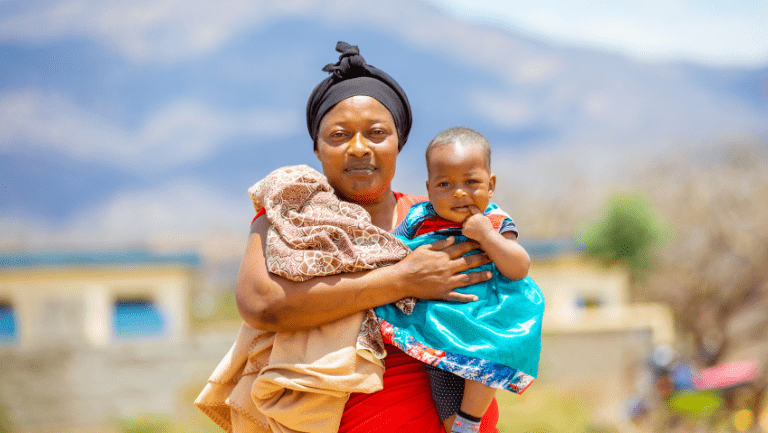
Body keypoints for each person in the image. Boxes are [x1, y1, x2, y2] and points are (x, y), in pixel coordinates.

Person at [196, 42, 500, 433]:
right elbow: (261, 304)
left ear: (399, 142)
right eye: (339, 135)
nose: (359, 148)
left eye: (377, 133)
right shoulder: (290, 220)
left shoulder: (439, 220)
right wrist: (402, 280)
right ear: (317, 149)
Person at [375, 126, 545, 433]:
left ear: (491, 185)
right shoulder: (419, 218)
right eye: (445, 184)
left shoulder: (495, 220)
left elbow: (519, 267)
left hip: (487, 320)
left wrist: (487, 236)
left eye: (471, 182)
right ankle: (458, 425)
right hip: (437, 325)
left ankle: (470, 421)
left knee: (488, 364)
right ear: (429, 189)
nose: (459, 192)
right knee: (441, 387)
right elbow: (389, 250)